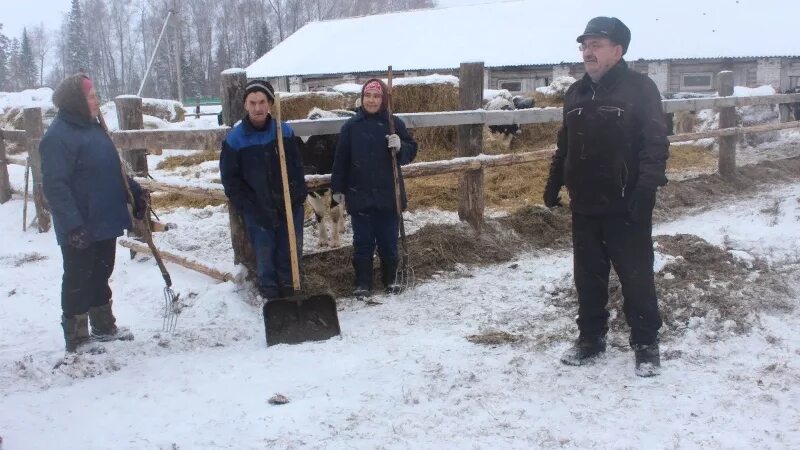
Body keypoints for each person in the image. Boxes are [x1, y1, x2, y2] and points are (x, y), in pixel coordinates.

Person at [542, 17, 669, 377]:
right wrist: (554, 183)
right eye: (585, 45)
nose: (588, 51)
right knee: (587, 275)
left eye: (596, 44)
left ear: (618, 50)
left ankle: (645, 344)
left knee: (635, 275)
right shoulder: (575, 93)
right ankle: (591, 339)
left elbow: (655, 143)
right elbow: (564, 144)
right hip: (584, 203)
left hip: (626, 202)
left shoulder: (639, 88)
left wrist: (646, 190)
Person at [41, 73, 146, 352]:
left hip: (104, 218)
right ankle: (77, 336)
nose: (97, 100)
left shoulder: (95, 127)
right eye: (91, 96)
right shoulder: (58, 137)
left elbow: (113, 168)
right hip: (81, 223)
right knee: (78, 276)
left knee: (101, 272)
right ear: (76, 101)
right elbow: (55, 186)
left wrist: (133, 190)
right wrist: (73, 225)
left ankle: (103, 325)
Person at [220, 80, 307, 300]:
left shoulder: (283, 131)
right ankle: (271, 296)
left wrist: (297, 195)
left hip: (288, 203)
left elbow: (297, 166)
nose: (258, 108)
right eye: (252, 103)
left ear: (270, 103)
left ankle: (292, 291)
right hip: (257, 207)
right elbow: (231, 180)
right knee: (265, 253)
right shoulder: (235, 139)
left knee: (290, 251)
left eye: (262, 102)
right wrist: (248, 205)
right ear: (245, 105)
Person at [331, 79, 418, 298]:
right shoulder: (351, 127)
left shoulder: (393, 123)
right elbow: (340, 161)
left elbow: (411, 150)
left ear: (384, 99)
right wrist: (338, 189)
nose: (371, 100)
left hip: (389, 194)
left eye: (376, 96)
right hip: (359, 194)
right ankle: (363, 282)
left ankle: (390, 278)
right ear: (362, 98)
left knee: (388, 240)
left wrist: (400, 147)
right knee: (363, 241)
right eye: (368, 96)